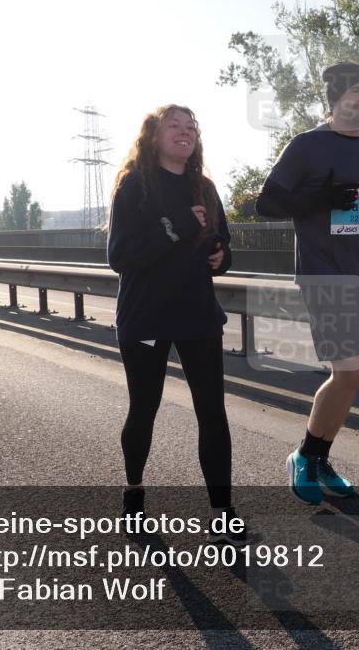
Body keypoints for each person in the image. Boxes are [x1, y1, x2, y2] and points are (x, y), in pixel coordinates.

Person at [256, 62, 359, 505]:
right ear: (335, 98)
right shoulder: (306, 146)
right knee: (351, 372)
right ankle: (306, 456)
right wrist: (317, 199)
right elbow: (267, 203)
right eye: (354, 92)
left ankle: (317, 455)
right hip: (324, 270)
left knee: (353, 376)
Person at [107, 104, 245, 546]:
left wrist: (220, 256)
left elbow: (221, 244)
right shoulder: (134, 186)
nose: (185, 132)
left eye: (191, 127)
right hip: (146, 315)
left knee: (213, 413)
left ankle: (221, 513)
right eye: (174, 126)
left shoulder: (203, 187)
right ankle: (133, 494)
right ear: (153, 136)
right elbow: (120, 257)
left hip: (197, 313)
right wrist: (176, 229)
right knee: (144, 409)